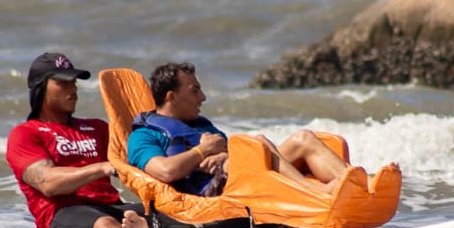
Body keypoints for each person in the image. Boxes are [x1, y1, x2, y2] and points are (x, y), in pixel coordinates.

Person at [5, 51, 170, 228]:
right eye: (63, 83)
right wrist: (102, 167)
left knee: (173, 216)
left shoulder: (97, 128)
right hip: (62, 215)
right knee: (104, 225)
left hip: (111, 207)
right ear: (40, 87)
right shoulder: (26, 133)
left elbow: (137, 162)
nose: (73, 89)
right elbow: (48, 183)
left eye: (74, 82)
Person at [127, 61, 351, 194]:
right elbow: (165, 171)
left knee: (303, 139)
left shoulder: (201, 125)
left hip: (235, 178)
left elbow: (230, 156)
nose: (203, 97)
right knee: (260, 143)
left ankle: (357, 186)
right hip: (209, 196)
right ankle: (315, 192)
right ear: (172, 97)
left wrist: (224, 154)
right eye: (195, 91)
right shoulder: (144, 136)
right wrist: (202, 151)